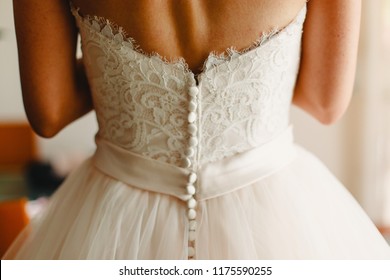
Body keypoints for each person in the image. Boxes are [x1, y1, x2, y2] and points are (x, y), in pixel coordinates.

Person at [4, 0, 390, 259]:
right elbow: (325, 99)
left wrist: (118, 75)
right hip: (274, 209)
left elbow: (49, 110)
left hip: (114, 213)